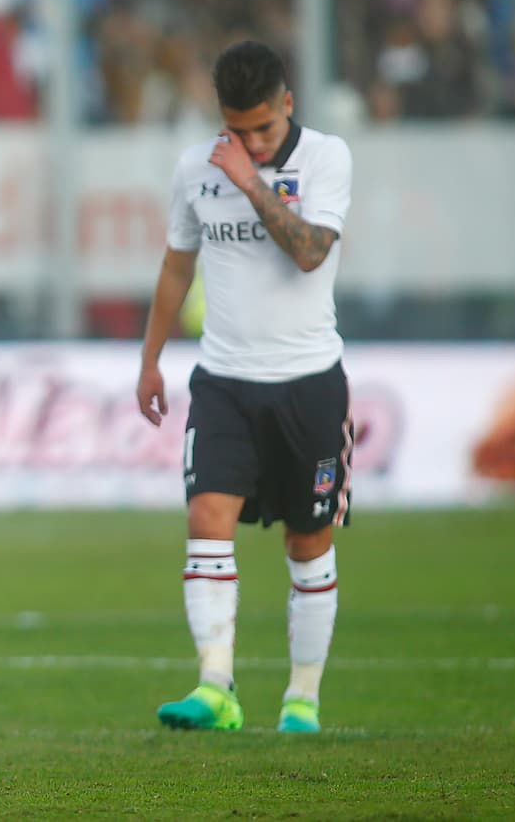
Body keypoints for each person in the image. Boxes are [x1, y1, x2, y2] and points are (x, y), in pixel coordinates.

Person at [135, 40, 353, 734]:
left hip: (308, 384)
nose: (252, 143)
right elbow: (176, 267)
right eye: (238, 129)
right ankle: (216, 686)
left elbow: (310, 250)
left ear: (288, 105)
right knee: (206, 520)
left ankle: (302, 699)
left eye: (263, 127)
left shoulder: (326, 158)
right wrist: (150, 359)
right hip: (223, 381)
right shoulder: (195, 171)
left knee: (307, 541)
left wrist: (252, 181)